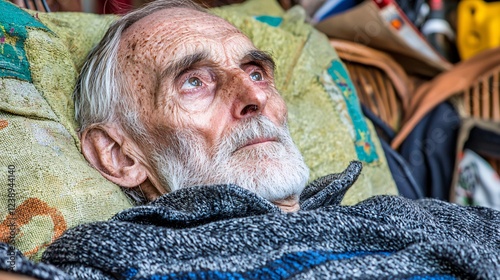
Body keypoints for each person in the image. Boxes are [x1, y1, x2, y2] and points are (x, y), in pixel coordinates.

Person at [0, 0, 499, 279]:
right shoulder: (128, 255)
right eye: (193, 80)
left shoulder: (403, 212)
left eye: (256, 72)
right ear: (119, 155)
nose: (252, 97)